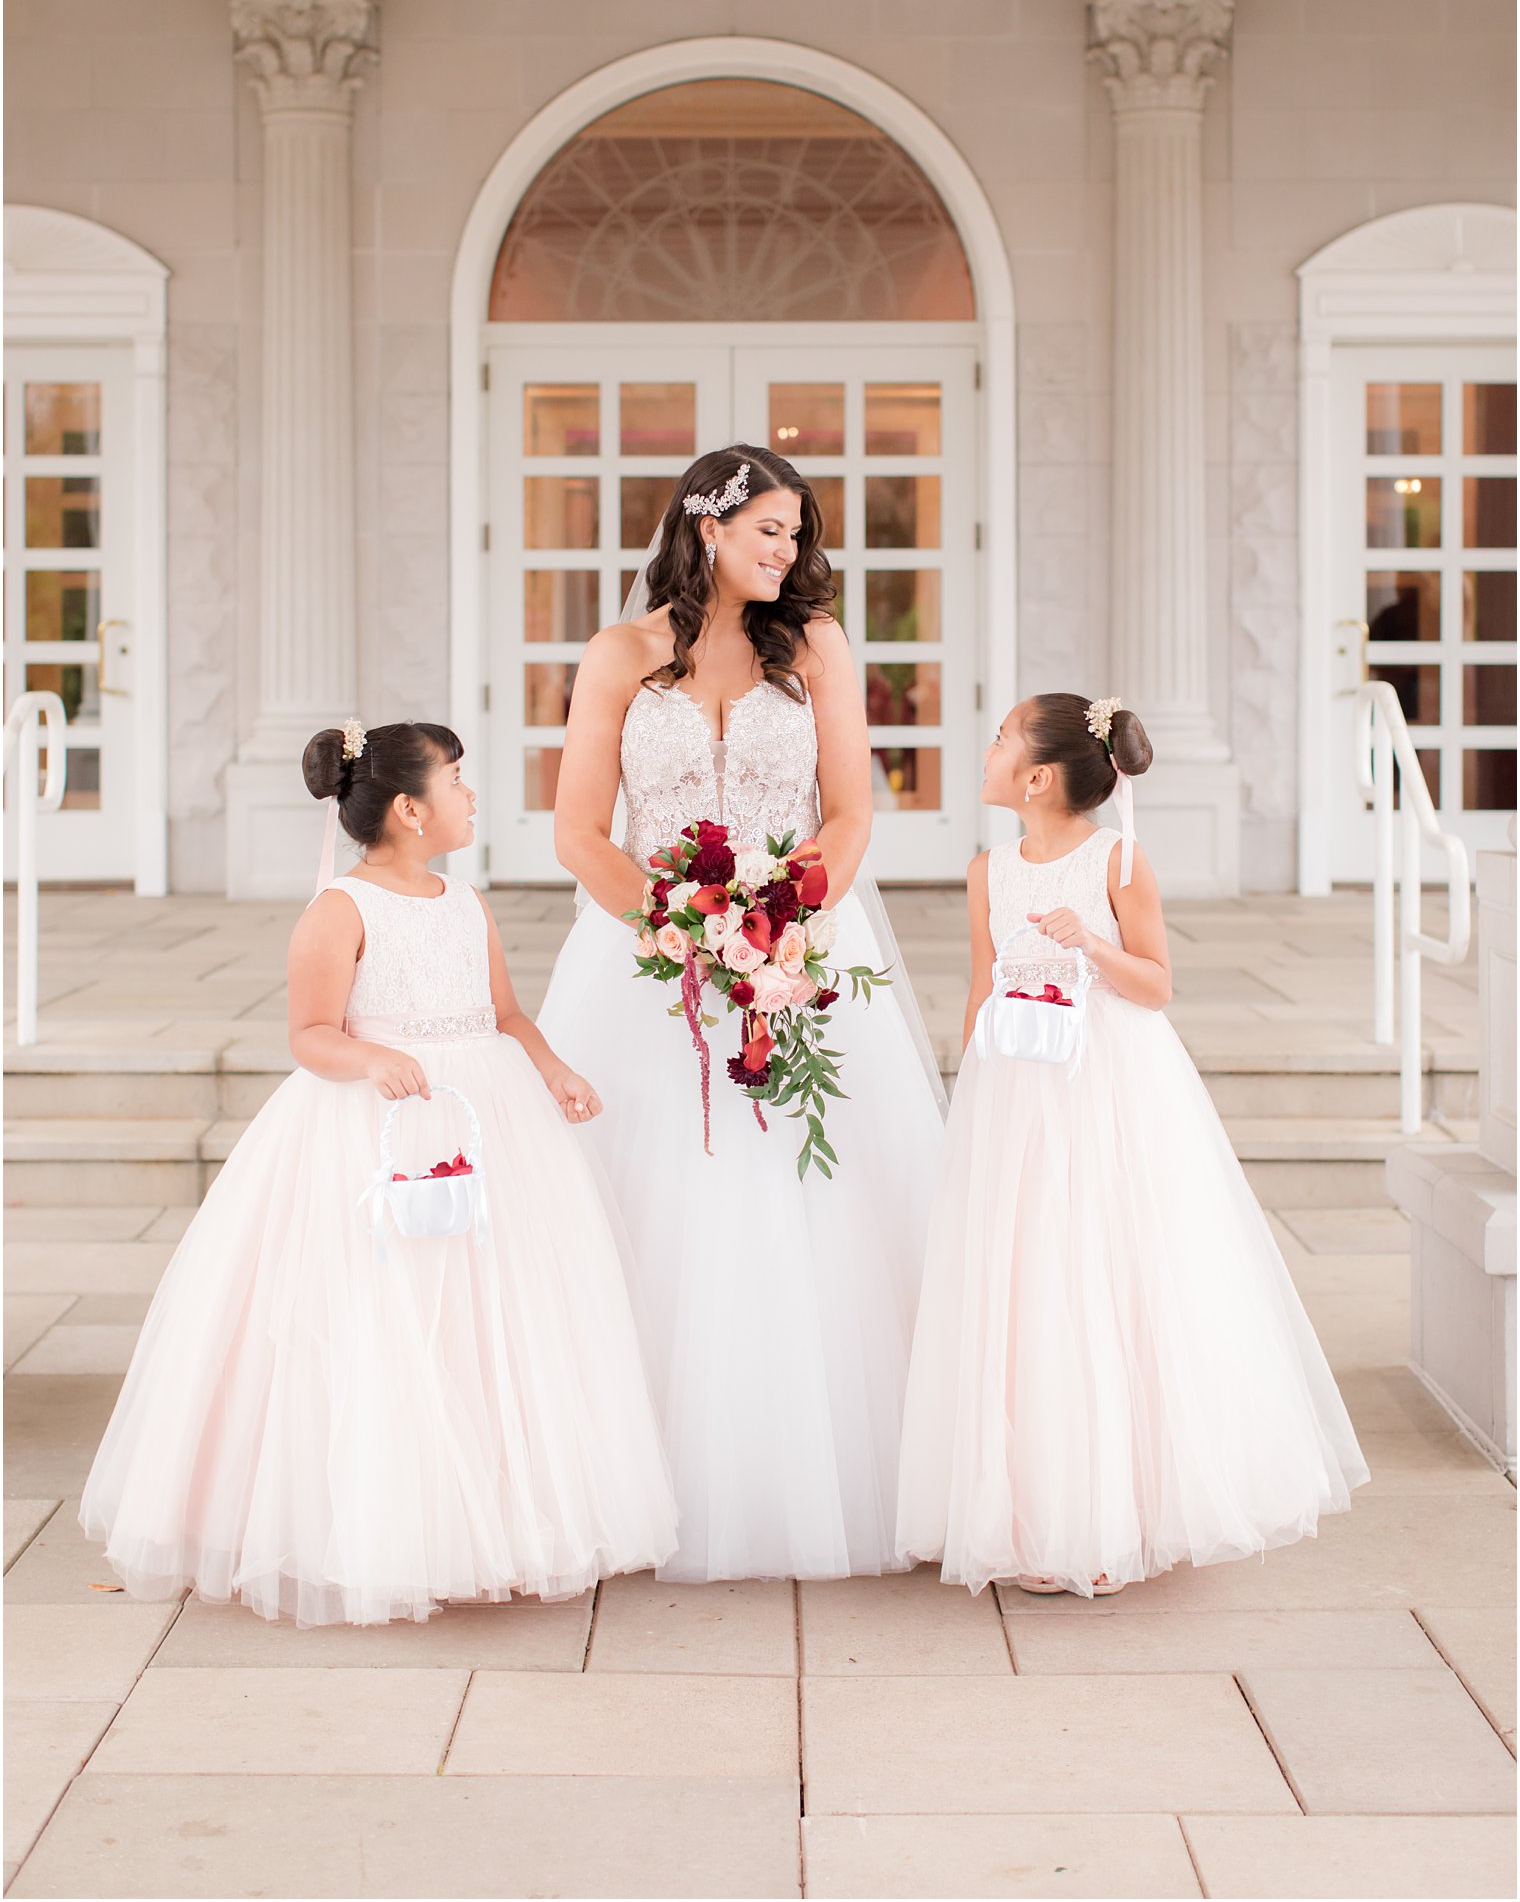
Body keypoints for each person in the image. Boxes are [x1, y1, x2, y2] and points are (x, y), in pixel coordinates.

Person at [80, 718, 677, 1625]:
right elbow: (311, 1032)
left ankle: (500, 1516)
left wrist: (552, 1069)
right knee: (390, 1319)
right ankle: (389, 1524)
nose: (472, 795)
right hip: (378, 1126)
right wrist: (370, 1061)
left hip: (489, 1122)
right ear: (408, 808)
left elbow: (505, 1014)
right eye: (458, 780)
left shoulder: (465, 902)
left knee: (495, 1318)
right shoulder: (339, 911)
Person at [538, 445, 944, 1583]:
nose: (789, 551)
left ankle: (819, 1475)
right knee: (643, 1198)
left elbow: (853, 811)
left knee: (811, 1199)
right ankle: (625, 1483)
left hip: (799, 944)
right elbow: (577, 832)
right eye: (769, 530)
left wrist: (781, 924)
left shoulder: (813, 645)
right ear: (705, 527)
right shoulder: (619, 654)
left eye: (795, 534)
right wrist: (678, 931)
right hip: (642, 958)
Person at [896, 692, 1368, 1597]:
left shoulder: (1118, 860)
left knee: (1102, 1278)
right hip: (1015, 1090)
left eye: (1000, 737)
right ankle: (1032, 1509)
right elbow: (980, 984)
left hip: (1104, 1087)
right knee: (1027, 1285)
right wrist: (968, 1090)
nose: (985, 747)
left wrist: (1089, 947)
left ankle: (1118, 1515)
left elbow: (1154, 984)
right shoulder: (987, 869)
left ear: (1035, 775)